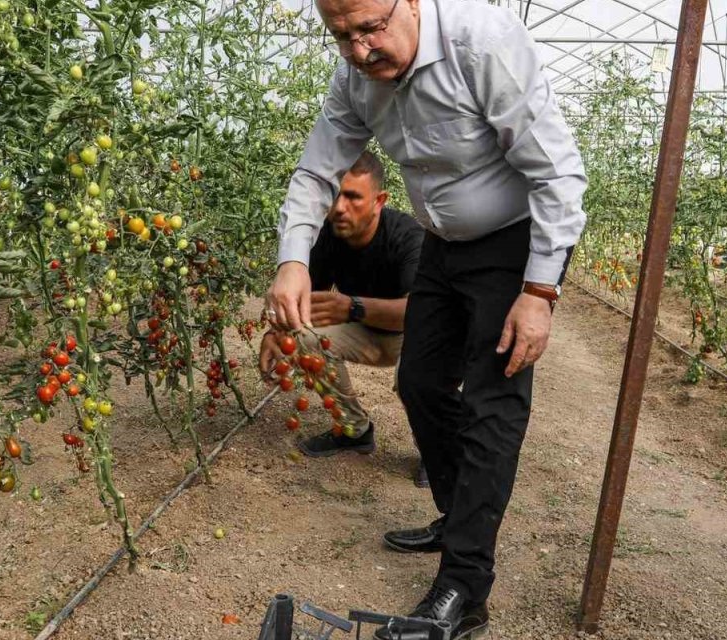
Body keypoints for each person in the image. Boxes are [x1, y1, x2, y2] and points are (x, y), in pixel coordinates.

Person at [265, 0, 587, 635]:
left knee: (493, 402)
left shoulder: (482, 41)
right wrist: (293, 259)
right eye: (341, 36)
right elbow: (315, 170)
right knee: (419, 381)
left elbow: (557, 174)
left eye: (370, 28)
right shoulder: (356, 77)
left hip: (512, 243)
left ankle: (465, 587)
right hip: (443, 243)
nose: (359, 51)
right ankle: (455, 512)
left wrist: (539, 293)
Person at [258, 151, 429, 486]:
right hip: (367, 335)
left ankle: (437, 450)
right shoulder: (327, 235)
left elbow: (420, 312)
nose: (339, 207)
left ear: (379, 200)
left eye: (352, 197)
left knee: (416, 376)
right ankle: (354, 430)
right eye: (335, 195)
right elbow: (303, 304)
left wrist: (352, 307)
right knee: (305, 338)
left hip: (416, 335)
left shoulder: (408, 237)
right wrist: (272, 334)